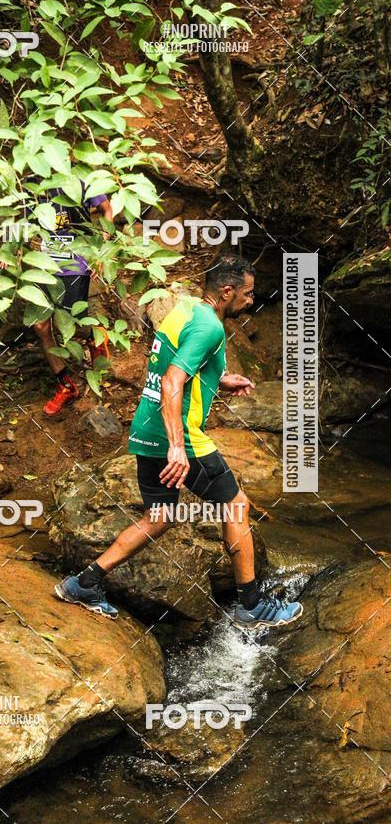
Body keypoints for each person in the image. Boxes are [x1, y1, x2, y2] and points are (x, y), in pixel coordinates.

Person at [54, 255, 303, 630]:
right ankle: (251, 606)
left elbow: (173, 365)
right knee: (235, 506)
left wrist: (219, 379)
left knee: (159, 517)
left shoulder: (184, 310)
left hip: (146, 429)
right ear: (227, 291)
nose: (251, 301)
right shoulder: (210, 327)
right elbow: (172, 381)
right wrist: (177, 446)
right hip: (180, 436)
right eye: (248, 294)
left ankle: (83, 584)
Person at [34, 184, 114, 415]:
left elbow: (107, 210)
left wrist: (100, 251)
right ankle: (66, 385)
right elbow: (25, 220)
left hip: (74, 263)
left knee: (72, 324)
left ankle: (95, 335)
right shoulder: (34, 182)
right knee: (40, 326)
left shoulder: (82, 181)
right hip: (44, 263)